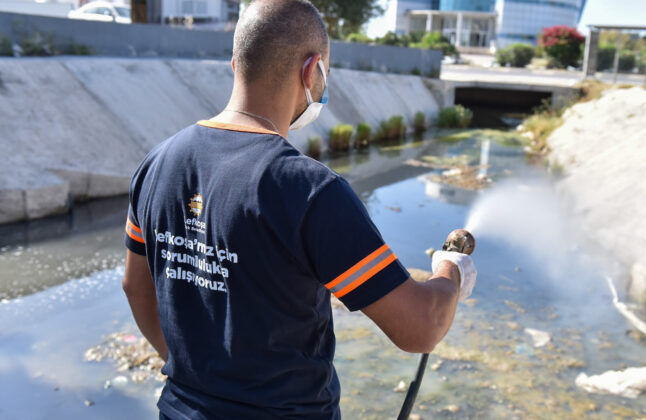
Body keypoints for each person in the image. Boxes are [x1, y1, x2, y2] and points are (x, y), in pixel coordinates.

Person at [121, 1, 477, 418]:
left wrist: (194, 371)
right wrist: (450, 271)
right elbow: (420, 327)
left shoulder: (157, 163)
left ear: (237, 64)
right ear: (313, 72)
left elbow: (136, 287)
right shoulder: (310, 192)